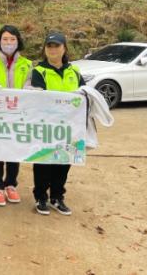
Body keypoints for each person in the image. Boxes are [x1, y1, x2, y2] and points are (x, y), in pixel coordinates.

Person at [31, 32, 85, 216]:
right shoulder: (39, 71)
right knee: (43, 162)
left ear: (64, 48)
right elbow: (38, 99)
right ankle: (41, 197)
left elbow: (84, 93)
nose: (53, 49)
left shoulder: (74, 71)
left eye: (57, 46)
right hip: (47, 126)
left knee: (64, 161)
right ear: (45, 49)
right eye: (49, 46)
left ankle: (57, 197)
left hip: (71, 127)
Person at [0, 25, 33, 207]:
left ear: (18, 41)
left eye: (12, 39)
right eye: (5, 39)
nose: (9, 42)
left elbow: (28, 84)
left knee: (14, 150)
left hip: (18, 114)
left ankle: (11, 184)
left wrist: (31, 91)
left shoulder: (27, 64)